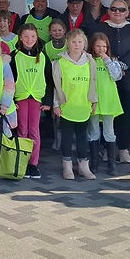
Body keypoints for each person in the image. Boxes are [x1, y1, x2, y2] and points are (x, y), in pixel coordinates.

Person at [90, 0, 130, 165]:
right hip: (104, 80)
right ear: (109, 11)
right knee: (105, 115)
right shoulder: (101, 27)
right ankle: (106, 149)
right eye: (114, 9)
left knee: (126, 114)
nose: (117, 12)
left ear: (127, 12)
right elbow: (95, 48)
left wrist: (121, 65)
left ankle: (123, 148)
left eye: (122, 9)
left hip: (128, 79)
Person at [51, 29, 98, 180]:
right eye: (73, 42)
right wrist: (56, 104)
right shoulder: (60, 63)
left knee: (82, 137)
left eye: (80, 41)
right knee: (66, 137)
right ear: (67, 43)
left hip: (83, 105)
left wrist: (94, 100)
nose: (77, 44)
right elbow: (57, 85)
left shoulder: (90, 61)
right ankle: (67, 166)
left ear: (85, 43)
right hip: (67, 106)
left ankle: (83, 166)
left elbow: (94, 82)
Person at [10, 23, 51, 179]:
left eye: (33, 36)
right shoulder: (15, 56)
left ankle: (33, 164)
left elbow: (49, 79)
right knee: (22, 130)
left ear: (37, 37)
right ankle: (21, 161)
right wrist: (11, 100)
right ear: (20, 37)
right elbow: (9, 79)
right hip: (20, 97)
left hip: (36, 98)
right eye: (26, 36)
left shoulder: (43, 56)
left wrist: (48, 100)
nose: (29, 39)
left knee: (34, 131)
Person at [87, 32, 123, 176]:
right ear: (93, 46)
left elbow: (116, 76)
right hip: (94, 100)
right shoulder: (89, 60)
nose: (101, 49)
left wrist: (107, 60)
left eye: (104, 46)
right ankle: (94, 162)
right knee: (93, 130)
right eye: (98, 46)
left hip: (109, 100)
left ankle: (111, 163)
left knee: (109, 131)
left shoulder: (112, 60)